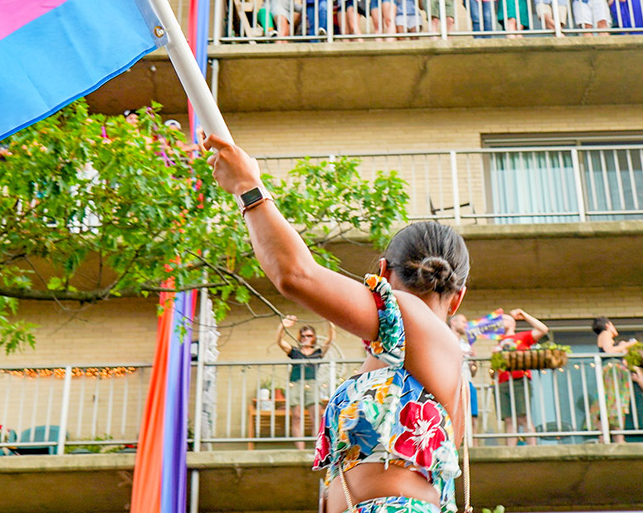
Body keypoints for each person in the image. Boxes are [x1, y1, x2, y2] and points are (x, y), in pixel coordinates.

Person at [204, 133, 468, 513]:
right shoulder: (419, 362)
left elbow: (296, 275)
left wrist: (249, 187)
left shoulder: (414, 322)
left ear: (381, 274)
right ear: (458, 297)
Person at [276, 314, 337, 449]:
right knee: (297, 416)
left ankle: (317, 449)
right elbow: (280, 342)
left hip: (312, 384)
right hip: (296, 383)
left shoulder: (318, 352)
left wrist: (329, 321)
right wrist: (282, 326)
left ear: (313, 337)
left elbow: (330, 339)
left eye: (309, 336)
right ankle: (300, 450)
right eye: (304, 336)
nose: (306, 338)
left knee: (316, 416)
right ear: (300, 337)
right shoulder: (295, 352)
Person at [494, 309, 549, 446]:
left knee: (523, 416)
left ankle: (533, 448)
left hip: (519, 379)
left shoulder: (521, 337)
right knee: (509, 419)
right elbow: (495, 368)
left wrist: (524, 315)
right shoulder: (498, 342)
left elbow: (543, 329)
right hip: (502, 381)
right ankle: (510, 450)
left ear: (512, 323)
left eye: (503, 319)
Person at [592, 316, 643, 443]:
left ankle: (616, 437)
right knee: (613, 402)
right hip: (612, 372)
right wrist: (628, 344)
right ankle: (609, 438)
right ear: (608, 325)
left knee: (615, 405)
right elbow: (609, 351)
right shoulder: (605, 333)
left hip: (614, 372)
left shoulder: (607, 336)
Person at [449, 314, 479, 441]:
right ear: (453, 323)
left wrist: (474, 361)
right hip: (451, 384)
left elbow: (473, 372)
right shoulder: (445, 339)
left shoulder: (466, 345)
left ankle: (474, 447)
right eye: (463, 322)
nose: (466, 325)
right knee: (454, 418)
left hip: (468, 382)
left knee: (472, 418)